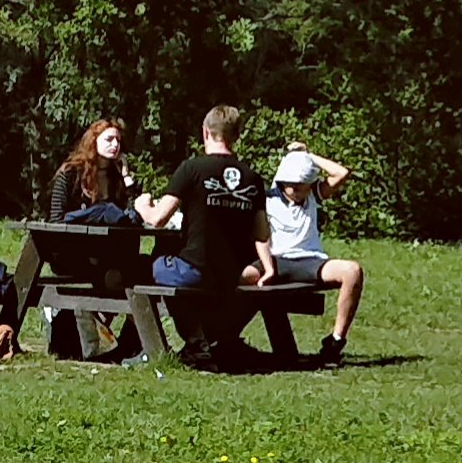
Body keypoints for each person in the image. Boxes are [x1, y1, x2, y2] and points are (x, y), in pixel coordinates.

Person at [0, 118, 157, 362]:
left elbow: (132, 216)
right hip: (71, 254)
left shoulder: (116, 177)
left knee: (143, 267)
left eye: (118, 140)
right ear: (92, 141)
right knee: (107, 214)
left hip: (105, 255)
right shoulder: (70, 173)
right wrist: (97, 214)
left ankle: (133, 344)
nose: (115, 145)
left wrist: (127, 178)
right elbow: (56, 221)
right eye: (109, 139)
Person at [149, 104, 277, 365]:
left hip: (196, 269)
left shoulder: (192, 169)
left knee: (151, 266)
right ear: (237, 135)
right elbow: (262, 232)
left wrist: (142, 204)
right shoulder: (252, 178)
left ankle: (194, 342)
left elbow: (158, 219)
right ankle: (214, 339)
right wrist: (267, 266)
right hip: (232, 273)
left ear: (206, 132)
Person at [265, 143, 364, 362]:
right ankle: (224, 339)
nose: (300, 191)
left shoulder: (312, 196)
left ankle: (336, 340)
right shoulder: (268, 198)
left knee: (352, 271)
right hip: (276, 261)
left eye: (304, 186)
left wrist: (306, 156)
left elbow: (341, 173)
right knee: (238, 278)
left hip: (311, 261)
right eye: (294, 187)